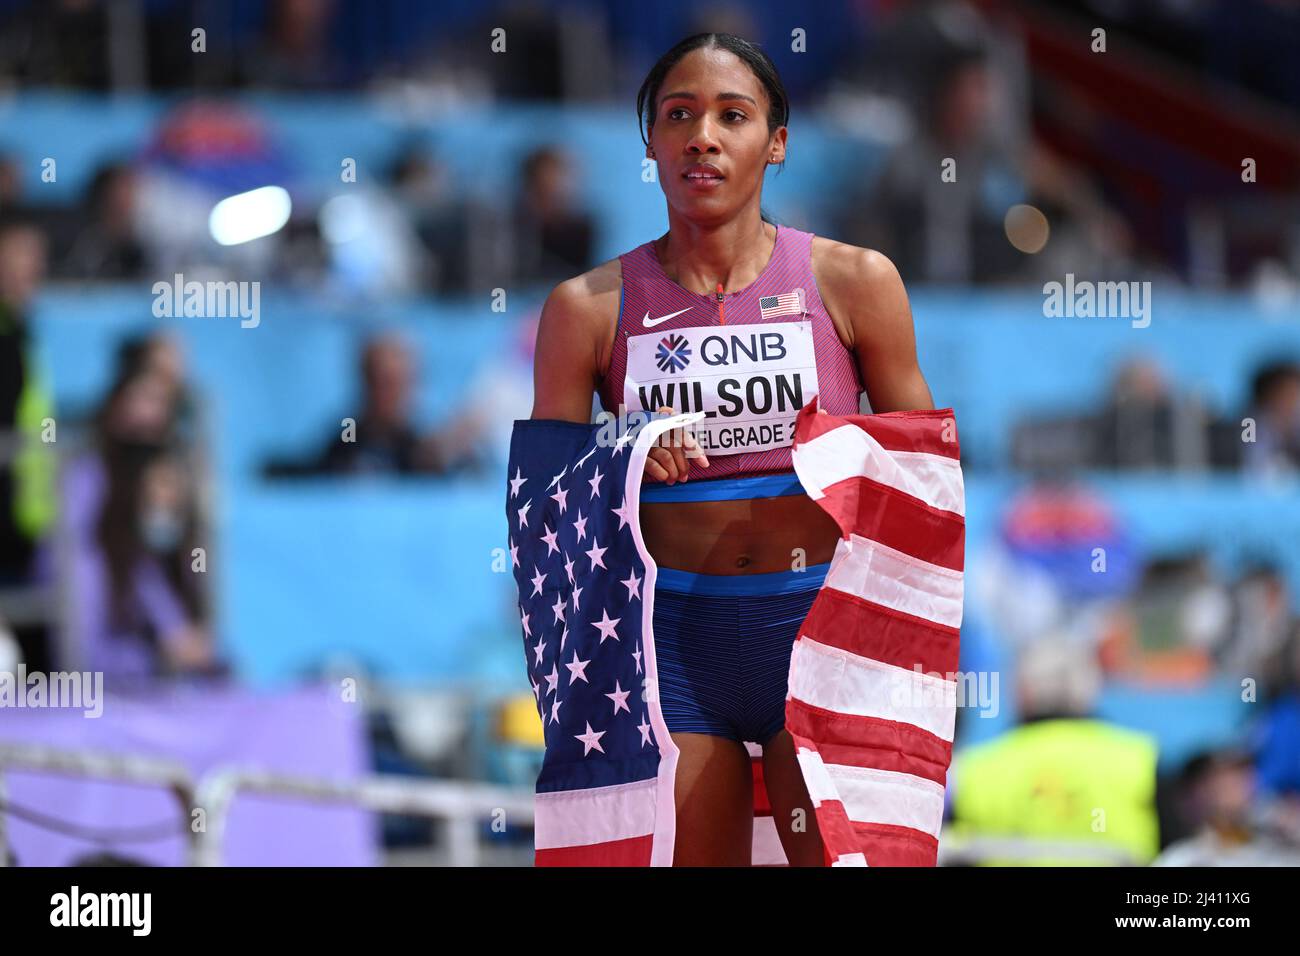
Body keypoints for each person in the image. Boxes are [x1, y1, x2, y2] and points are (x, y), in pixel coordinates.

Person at [529, 33, 935, 866]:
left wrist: (828, 448)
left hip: (820, 640)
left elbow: (923, 485)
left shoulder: (857, 282)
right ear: (651, 145)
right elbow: (543, 510)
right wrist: (627, 450)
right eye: (678, 115)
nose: (702, 136)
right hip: (672, 647)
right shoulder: (585, 309)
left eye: (731, 115)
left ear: (776, 142)